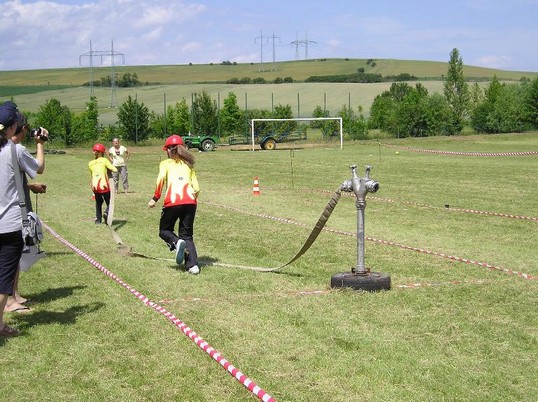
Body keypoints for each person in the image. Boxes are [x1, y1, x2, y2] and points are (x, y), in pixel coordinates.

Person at [0, 101, 46, 336]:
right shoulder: (14, 150)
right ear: (12, 127)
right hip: (8, 222)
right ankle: (2, 318)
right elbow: (38, 167)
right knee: (6, 272)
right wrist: (40, 144)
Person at [148, 135, 200, 275]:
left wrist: (155, 198)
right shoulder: (189, 164)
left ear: (169, 150)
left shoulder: (165, 164)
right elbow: (196, 188)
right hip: (190, 202)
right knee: (187, 235)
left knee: (164, 231)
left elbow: (160, 180)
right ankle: (193, 266)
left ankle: (176, 243)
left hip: (173, 202)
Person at [89, 143, 117, 224]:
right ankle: (106, 213)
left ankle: (98, 220)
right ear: (102, 153)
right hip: (104, 186)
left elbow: (92, 176)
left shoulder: (90, 163)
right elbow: (114, 169)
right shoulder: (104, 160)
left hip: (95, 186)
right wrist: (109, 169)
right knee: (109, 202)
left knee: (98, 203)